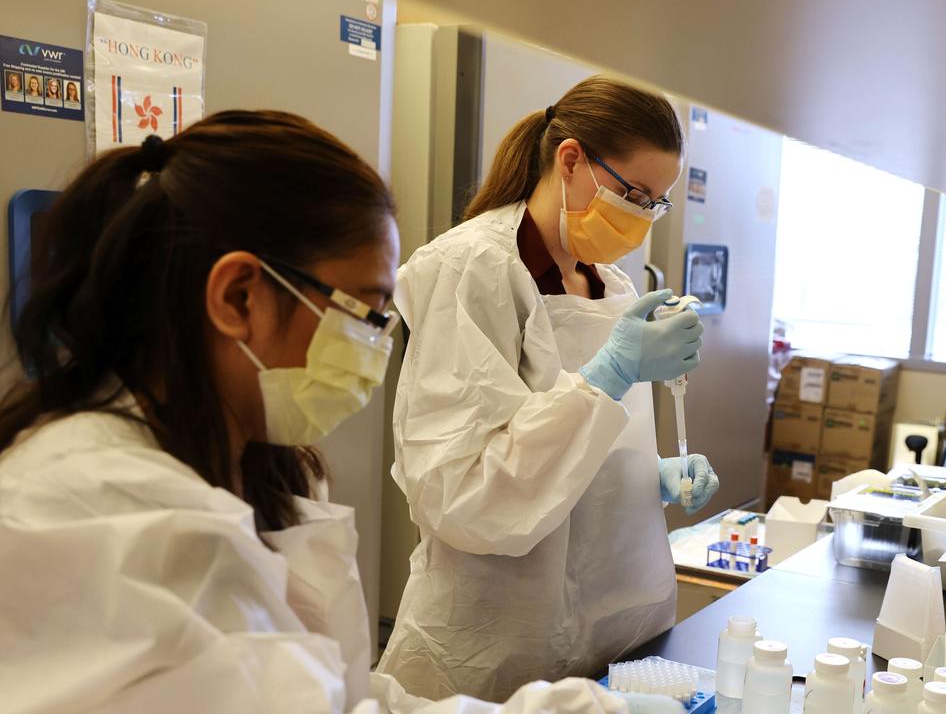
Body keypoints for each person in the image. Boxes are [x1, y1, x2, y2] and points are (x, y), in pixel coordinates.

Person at [0, 111, 660, 714]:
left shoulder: (255, 467)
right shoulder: (113, 513)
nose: (377, 344)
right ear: (238, 298)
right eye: (366, 313)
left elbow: (324, 687)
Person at [378, 76, 720, 701]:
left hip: (616, 620)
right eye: (635, 193)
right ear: (571, 160)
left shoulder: (614, 286)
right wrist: (608, 376)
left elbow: (583, 442)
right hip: (494, 640)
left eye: (657, 202)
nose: (643, 217)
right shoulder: (471, 269)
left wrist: (648, 471)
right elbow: (465, 494)